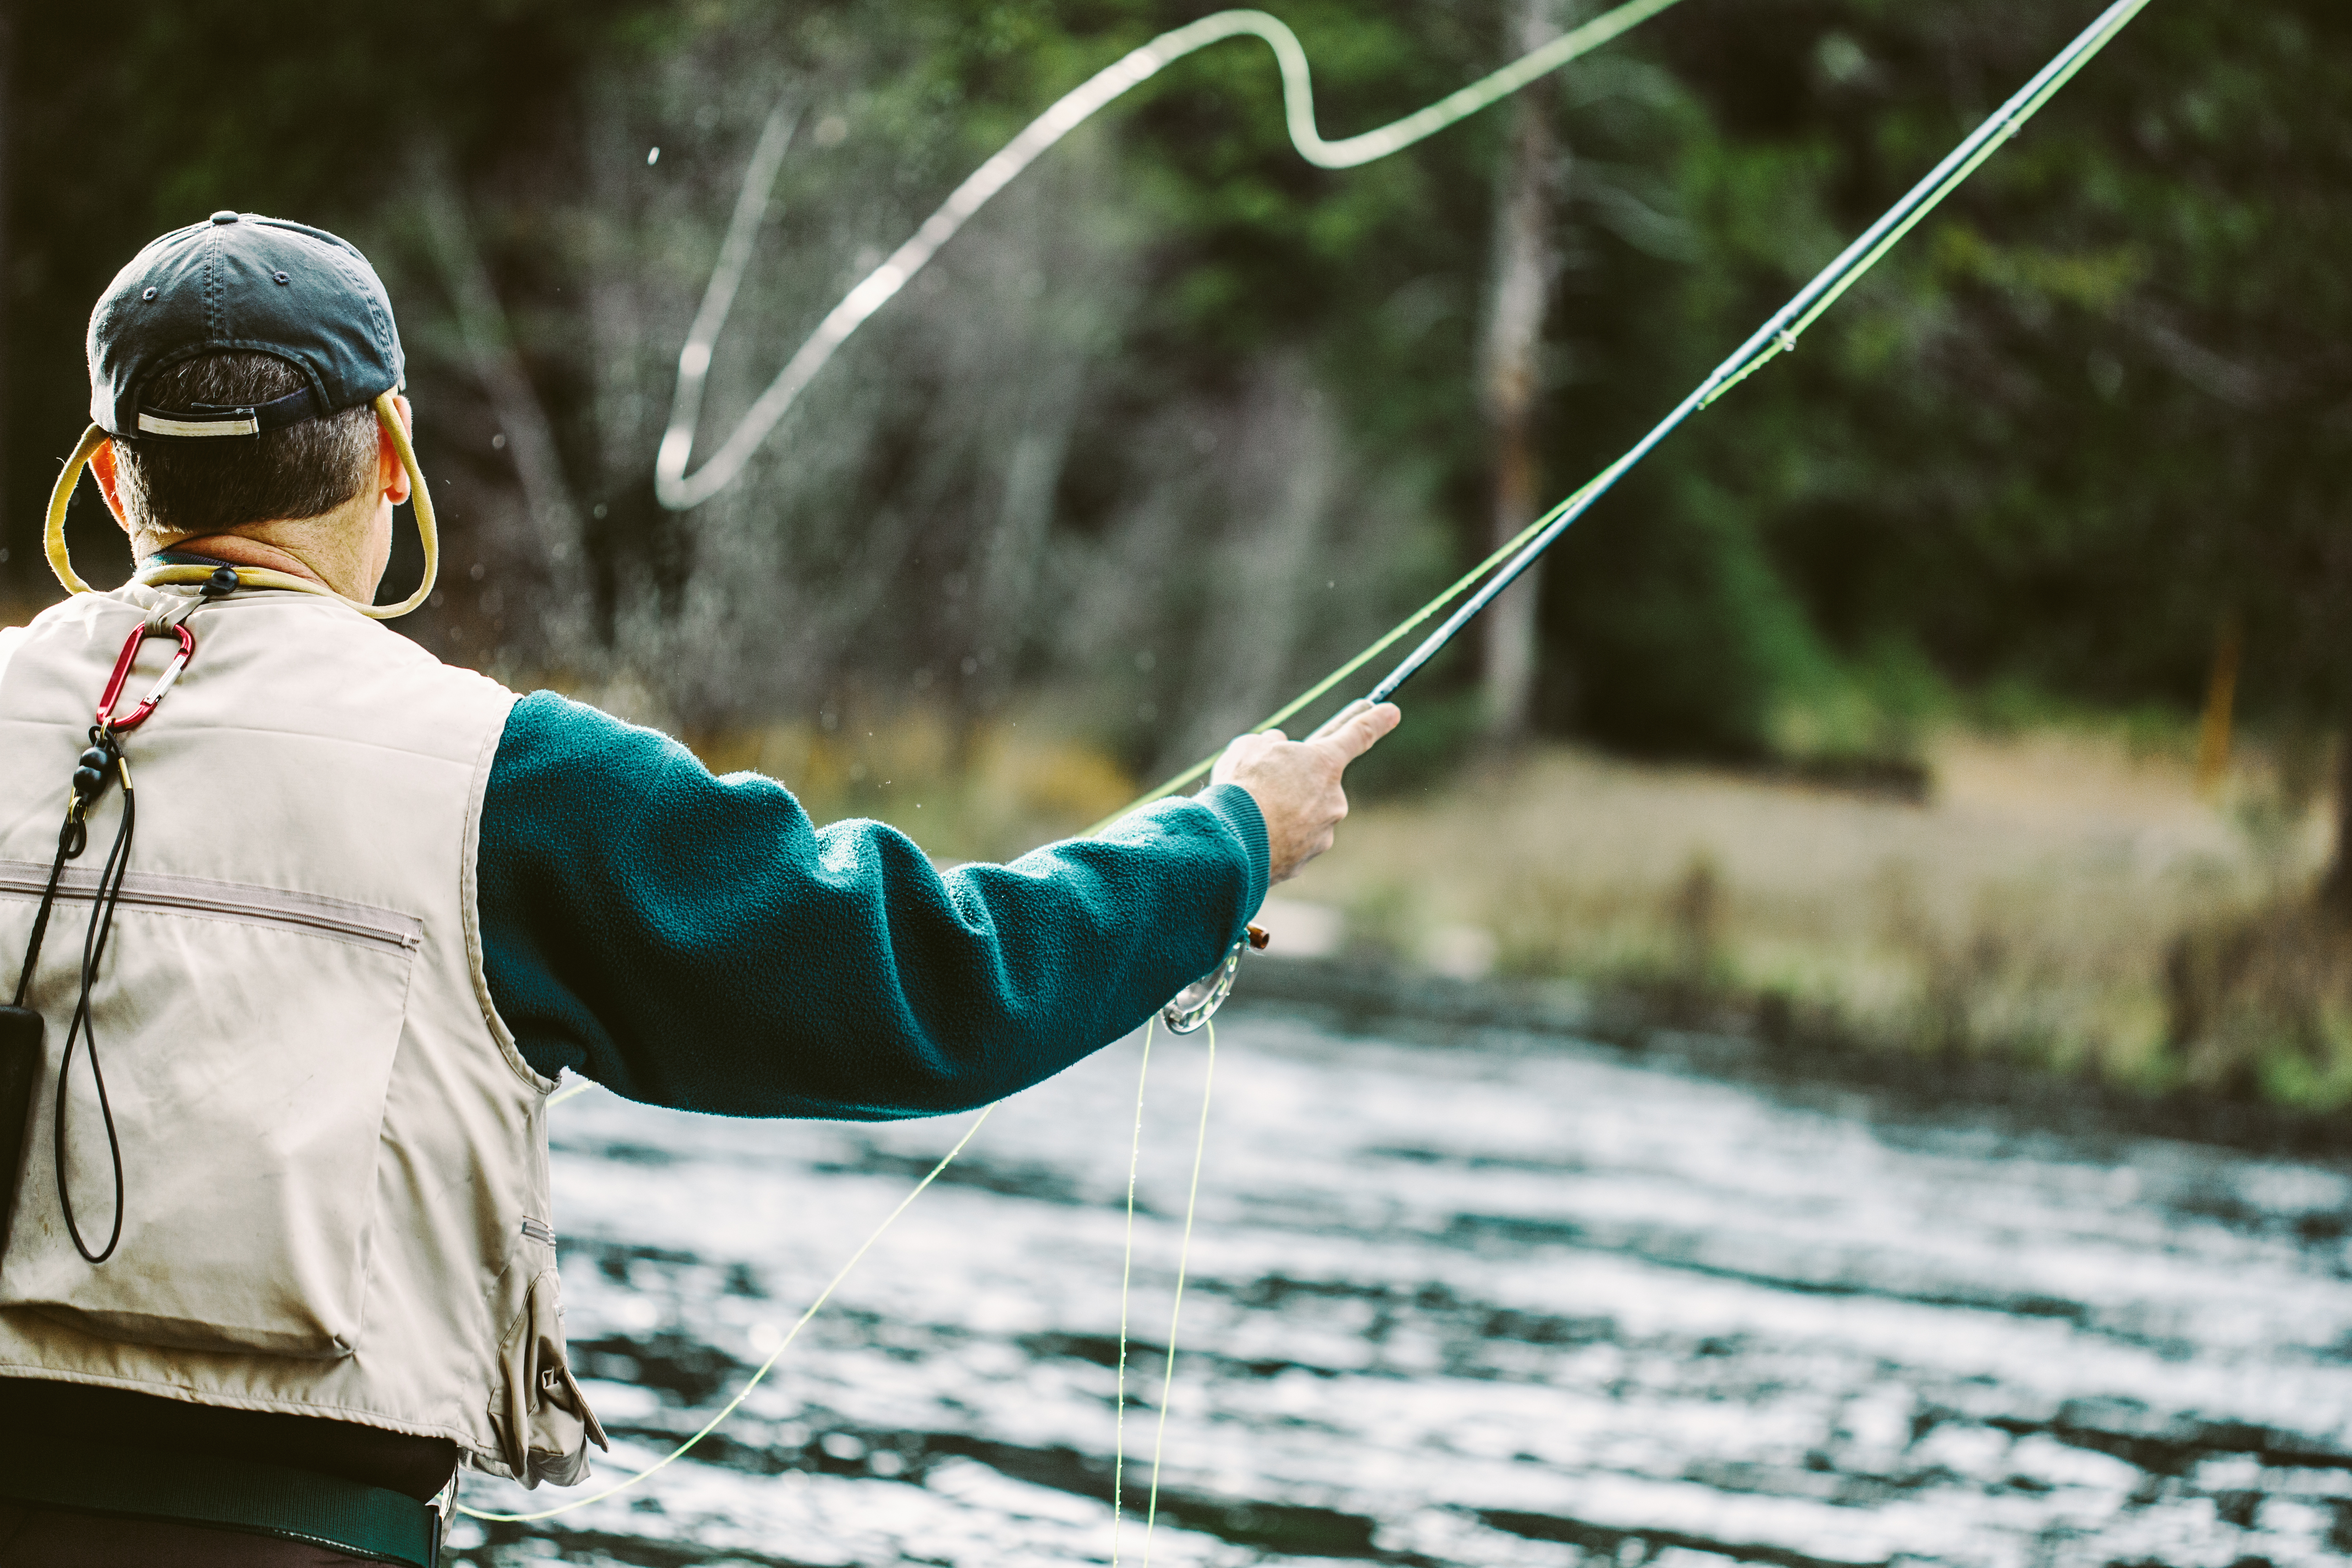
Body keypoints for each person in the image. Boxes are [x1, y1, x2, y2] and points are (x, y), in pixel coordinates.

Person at [0, 212, 1399, 1566]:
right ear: (393, 455)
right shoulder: (517, 781)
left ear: (117, 483)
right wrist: (1226, 843)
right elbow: (942, 981)